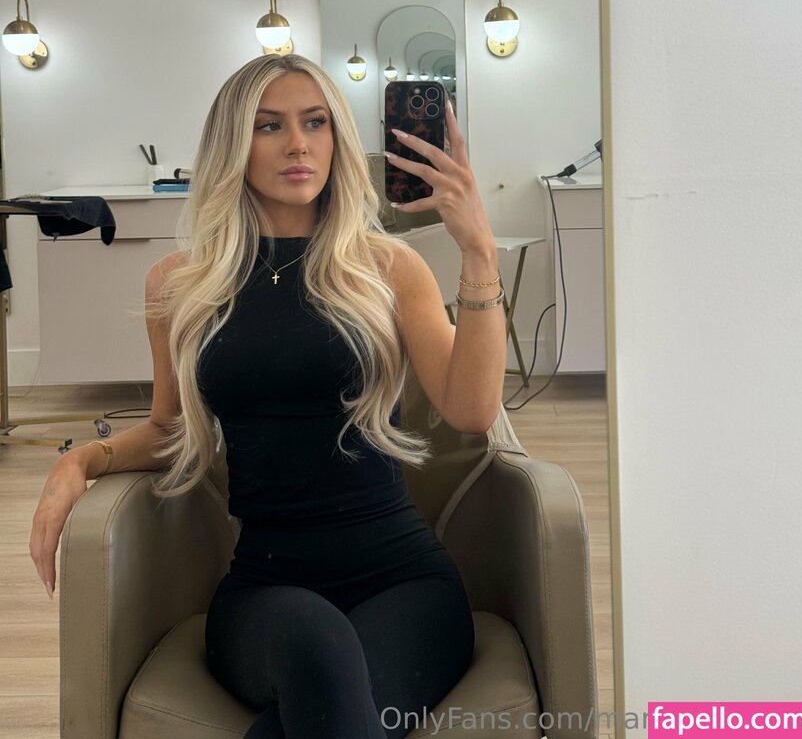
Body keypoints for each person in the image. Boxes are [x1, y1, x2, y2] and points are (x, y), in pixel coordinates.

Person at [30, 53, 507, 738]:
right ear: (233, 145)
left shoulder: (387, 267)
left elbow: (471, 410)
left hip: (405, 581)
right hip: (267, 588)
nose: (298, 144)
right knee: (318, 650)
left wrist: (479, 252)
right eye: (269, 126)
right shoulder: (181, 283)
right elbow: (169, 430)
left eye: (315, 122)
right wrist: (80, 461)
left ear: (337, 138)